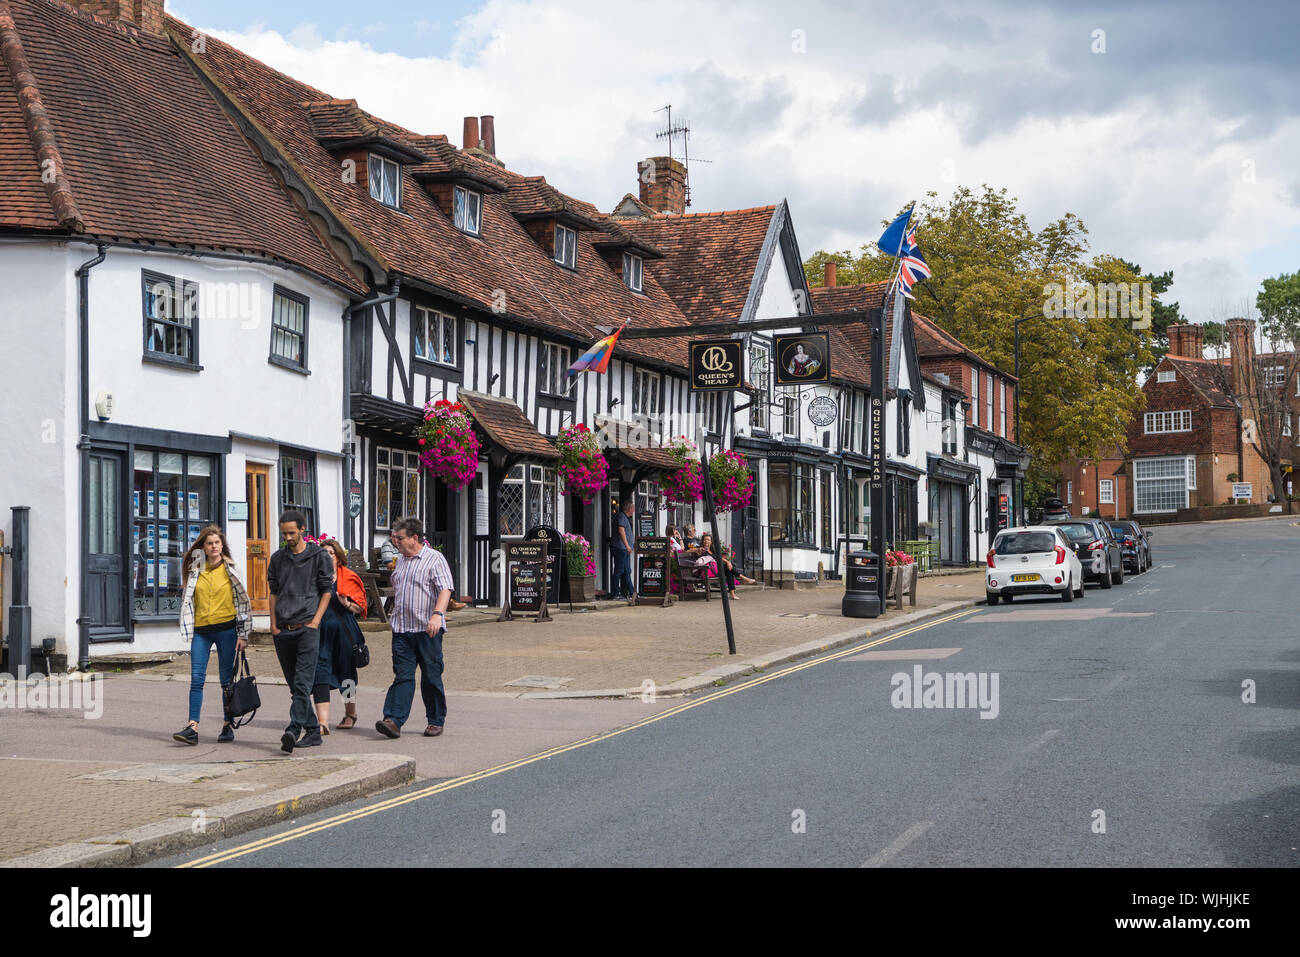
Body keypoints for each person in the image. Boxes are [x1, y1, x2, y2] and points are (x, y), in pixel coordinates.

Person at [172, 525, 252, 745]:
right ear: (203, 547)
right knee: (197, 679)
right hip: (202, 632)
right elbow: (188, 600)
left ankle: (227, 725)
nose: (214, 546)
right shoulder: (195, 570)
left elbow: (243, 604)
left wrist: (243, 634)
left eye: (217, 543)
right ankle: (192, 727)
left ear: (222, 545)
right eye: (209, 543)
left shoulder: (231, 569)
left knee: (226, 681)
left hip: (227, 630)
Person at [376, 516, 455, 739]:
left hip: (427, 629)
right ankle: (393, 720)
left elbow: (445, 589)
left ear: (414, 538)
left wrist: (437, 615)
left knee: (431, 676)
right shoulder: (400, 560)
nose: (395, 542)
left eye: (399, 538)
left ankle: (435, 720)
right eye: (394, 538)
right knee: (403, 676)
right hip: (402, 629)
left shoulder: (434, 559)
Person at [267, 510, 334, 754]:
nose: (288, 537)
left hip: (307, 628)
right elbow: (273, 592)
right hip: (283, 629)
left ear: (303, 529)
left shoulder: (318, 556)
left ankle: (294, 729)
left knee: (303, 683)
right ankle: (314, 731)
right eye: (284, 533)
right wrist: (273, 624)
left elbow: (327, 590)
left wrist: (315, 621)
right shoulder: (277, 558)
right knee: (295, 687)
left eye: (292, 533)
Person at [314, 539, 368, 731]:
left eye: (330, 553)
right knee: (320, 672)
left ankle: (350, 713)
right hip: (321, 633)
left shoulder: (348, 576)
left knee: (347, 675)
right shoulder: (315, 577)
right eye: (323, 553)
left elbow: (360, 606)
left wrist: (346, 604)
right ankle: (322, 722)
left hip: (344, 631)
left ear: (338, 557)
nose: (327, 556)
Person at [611, 497, 635, 602]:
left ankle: (632, 593)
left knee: (627, 571)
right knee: (619, 571)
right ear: (629, 509)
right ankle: (616, 593)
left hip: (624, 549)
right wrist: (627, 545)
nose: (634, 510)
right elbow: (621, 530)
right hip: (621, 548)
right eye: (633, 508)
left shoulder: (624, 517)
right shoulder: (621, 516)